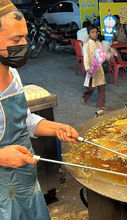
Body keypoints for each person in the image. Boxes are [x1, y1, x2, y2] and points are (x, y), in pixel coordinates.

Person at [0, 1, 79, 219]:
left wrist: (57, 128)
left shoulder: (13, 74)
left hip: (26, 181)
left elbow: (23, 119)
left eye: (25, 37)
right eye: (17, 40)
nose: (25, 44)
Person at [82, 24, 108, 110]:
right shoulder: (86, 45)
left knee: (102, 86)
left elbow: (102, 55)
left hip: (99, 68)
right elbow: (85, 57)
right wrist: (88, 68)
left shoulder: (99, 43)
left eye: (96, 32)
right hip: (91, 69)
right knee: (91, 87)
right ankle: (84, 97)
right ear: (88, 34)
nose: (95, 34)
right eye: (92, 32)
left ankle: (100, 104)